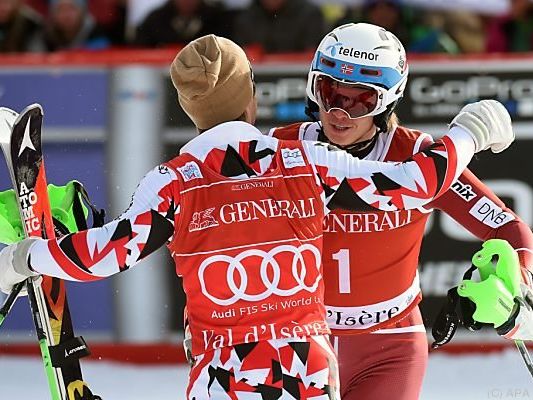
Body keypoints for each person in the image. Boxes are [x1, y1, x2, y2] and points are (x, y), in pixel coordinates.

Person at [0, 34, 512, 399]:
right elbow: (413, 184)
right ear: (251, 98)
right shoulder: (302, 160)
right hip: (305, 369)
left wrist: (26, 257)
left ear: (188, 108)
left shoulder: (172, 179)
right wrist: (469, 133)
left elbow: (112, 254)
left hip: (221, 373)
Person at [268, 22, 533, 399]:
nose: (340, 111)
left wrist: (515, 284)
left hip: (388, 348)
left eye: (362, 100)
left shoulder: (418, 155)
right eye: (329, 92)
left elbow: (508, 227)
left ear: (388, 100)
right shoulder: (279, 148)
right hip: (294, 340)